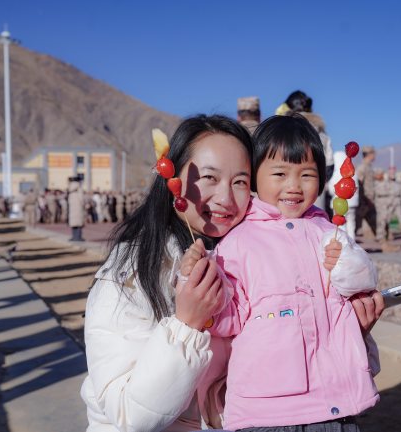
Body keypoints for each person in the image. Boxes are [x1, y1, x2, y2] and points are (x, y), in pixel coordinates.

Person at [81, 115, 383, 432]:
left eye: (239, 182)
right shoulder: (128, 276)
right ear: (172, 178)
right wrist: (187, 323)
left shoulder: (245, 249)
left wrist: (354, 329)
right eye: (209, 178)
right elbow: (131, 418)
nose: (226, 198)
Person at [181, 115, 383, 431]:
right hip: (268, 412)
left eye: (307, 174)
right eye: (279, 173)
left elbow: (361, 285)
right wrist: (196, 279)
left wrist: (348, 264)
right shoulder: (238, 241)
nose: (293, 186)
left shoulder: (328, 231)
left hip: (337, 404)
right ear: (255, 178)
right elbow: (227, 319)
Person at [374, 168, 401, 252]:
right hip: (381, 207)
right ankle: (383, 245)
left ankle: (387, 244)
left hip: (387, 207)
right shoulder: (375, 184)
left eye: (381, 173)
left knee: (386, 225)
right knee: (381, 225)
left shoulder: (386, 183)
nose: (380, 175)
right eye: (379, 174)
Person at [356, 145, 377, 239]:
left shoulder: (370, 167)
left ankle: (384, 244)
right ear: (369, 154)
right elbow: (358, 185)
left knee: (376, 223)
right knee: (355, 225)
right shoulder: (362, 168)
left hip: (370, 201)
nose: (375, 156)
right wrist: (363, 200)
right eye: (373, 153)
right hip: (365, 201)